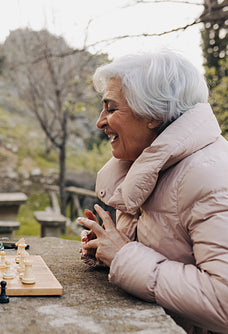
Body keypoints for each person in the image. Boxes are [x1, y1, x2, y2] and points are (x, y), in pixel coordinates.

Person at [78, 51, 228, 333]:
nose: (100, 122)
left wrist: (123, 255)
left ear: (153, 115)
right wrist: (107, 247)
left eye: (111, 109)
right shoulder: (147, 164)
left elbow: (223, 302)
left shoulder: (211, 174)